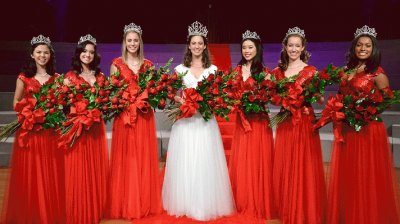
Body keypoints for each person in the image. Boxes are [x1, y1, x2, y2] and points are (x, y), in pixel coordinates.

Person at [162, 21, 235, 221]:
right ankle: (186, 202)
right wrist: (182, 101)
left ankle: (204, 203)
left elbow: (218, 95)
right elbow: (170, 92)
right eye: (193, 43)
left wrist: (206, 104)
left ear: (204, 46)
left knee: (204, 159)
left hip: (204, 121)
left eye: (200, 43)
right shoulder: (179, 69)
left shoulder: (213, 70)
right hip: (185, 122)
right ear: (189, 45)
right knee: (186, 160)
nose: (196, 46)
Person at [327, 25, 400, 224]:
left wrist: (364, 114)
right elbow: (342, 96)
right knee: (349, 173)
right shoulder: (346, 71)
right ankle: (348, 214)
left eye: (367, 45)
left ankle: (366, 216)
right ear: (354, 48)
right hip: (348, 128)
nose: (363, 48)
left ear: (373, 48)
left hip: (368, 128)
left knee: (365, 173)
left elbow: (386, 102)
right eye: (359, 45)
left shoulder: (378, 73)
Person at [1, 35, 66, 223]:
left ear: (50, 55)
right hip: (30, 132)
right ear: (32, 55)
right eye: (39, 52)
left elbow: (60, 103)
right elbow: (16, 103)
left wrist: (51, 111)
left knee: (49, 173)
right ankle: (31, 213)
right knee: (31, 174)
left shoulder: (56, 78)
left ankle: (48, 212)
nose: (42, 55)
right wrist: (30, 109)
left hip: (49, 132)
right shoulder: (24, 77)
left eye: (46, 52)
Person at [106, 23, 162, 219]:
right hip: (125, 119)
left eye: (135, 40)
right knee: (126, 158)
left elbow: (154, 92)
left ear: (140, 42)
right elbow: (112, 93)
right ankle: (125, 204)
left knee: (142, 158)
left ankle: (143, 203)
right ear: (124, 42)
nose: (132, 43)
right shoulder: (116, 64)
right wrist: (123, 102)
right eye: (129, 40)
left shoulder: (148, 65)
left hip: (144, 118)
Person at [271, 27, 327, 224]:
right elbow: (275, 99)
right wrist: (282, 99)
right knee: (286, 161)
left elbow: (320, 100)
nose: (293, 49)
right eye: (290, 45)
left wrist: (314, 92)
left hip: (303, 120)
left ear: (303, 47)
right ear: (285, 47)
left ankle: (305, 208)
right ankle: (287, 206)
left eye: (297, 45)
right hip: (286, 120)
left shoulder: (311, 71)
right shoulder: (278, 72)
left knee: (304, 163)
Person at [228, 30, 276, 220]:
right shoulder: (236, 71)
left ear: (257, 49)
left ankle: (258, 202)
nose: (247, 51)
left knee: (258, 161)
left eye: (250, 47)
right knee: (243, 161)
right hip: (242, 123)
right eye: (244, 48)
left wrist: (263, 96)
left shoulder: (265, 73)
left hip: (259, 121)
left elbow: (271, 97)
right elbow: (230, 94)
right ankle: (242, 202)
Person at [63, 34, 108, 224]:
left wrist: (100, 109)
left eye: (91, 52)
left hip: (96, 127)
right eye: (84, 51)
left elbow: (106, 102)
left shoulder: (100, 76)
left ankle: (95, 208)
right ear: (78, 53)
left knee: (94, 168)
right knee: (79, 170)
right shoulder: (69, 77)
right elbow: (64, 105)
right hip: (78, 128)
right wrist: (78, 114)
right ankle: (79, 210)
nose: (87, 55)